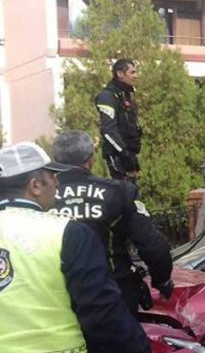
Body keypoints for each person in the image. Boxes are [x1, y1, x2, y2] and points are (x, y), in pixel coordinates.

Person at [0, 142, 149, 352]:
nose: (57, 183)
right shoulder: (66, 233)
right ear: (35, 186)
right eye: (52, 176)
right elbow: (103, 316)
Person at [52, 130, 173, 315]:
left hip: (56, 296)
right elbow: (153, 247)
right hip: (113, 294)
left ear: (55, 159)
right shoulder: (117, 192)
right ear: (91, 159)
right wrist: (162, 281)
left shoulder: (40, 198)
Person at [95, 58, 142, 184]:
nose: (136, 76)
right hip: (117, 156)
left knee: (133, 195)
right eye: (132, 72)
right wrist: (125, 154)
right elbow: (108, 130)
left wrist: (132, 157)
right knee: (123, 194)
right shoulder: (107, 96)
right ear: (120, 74)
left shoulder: (125, 95)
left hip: (130, 154)